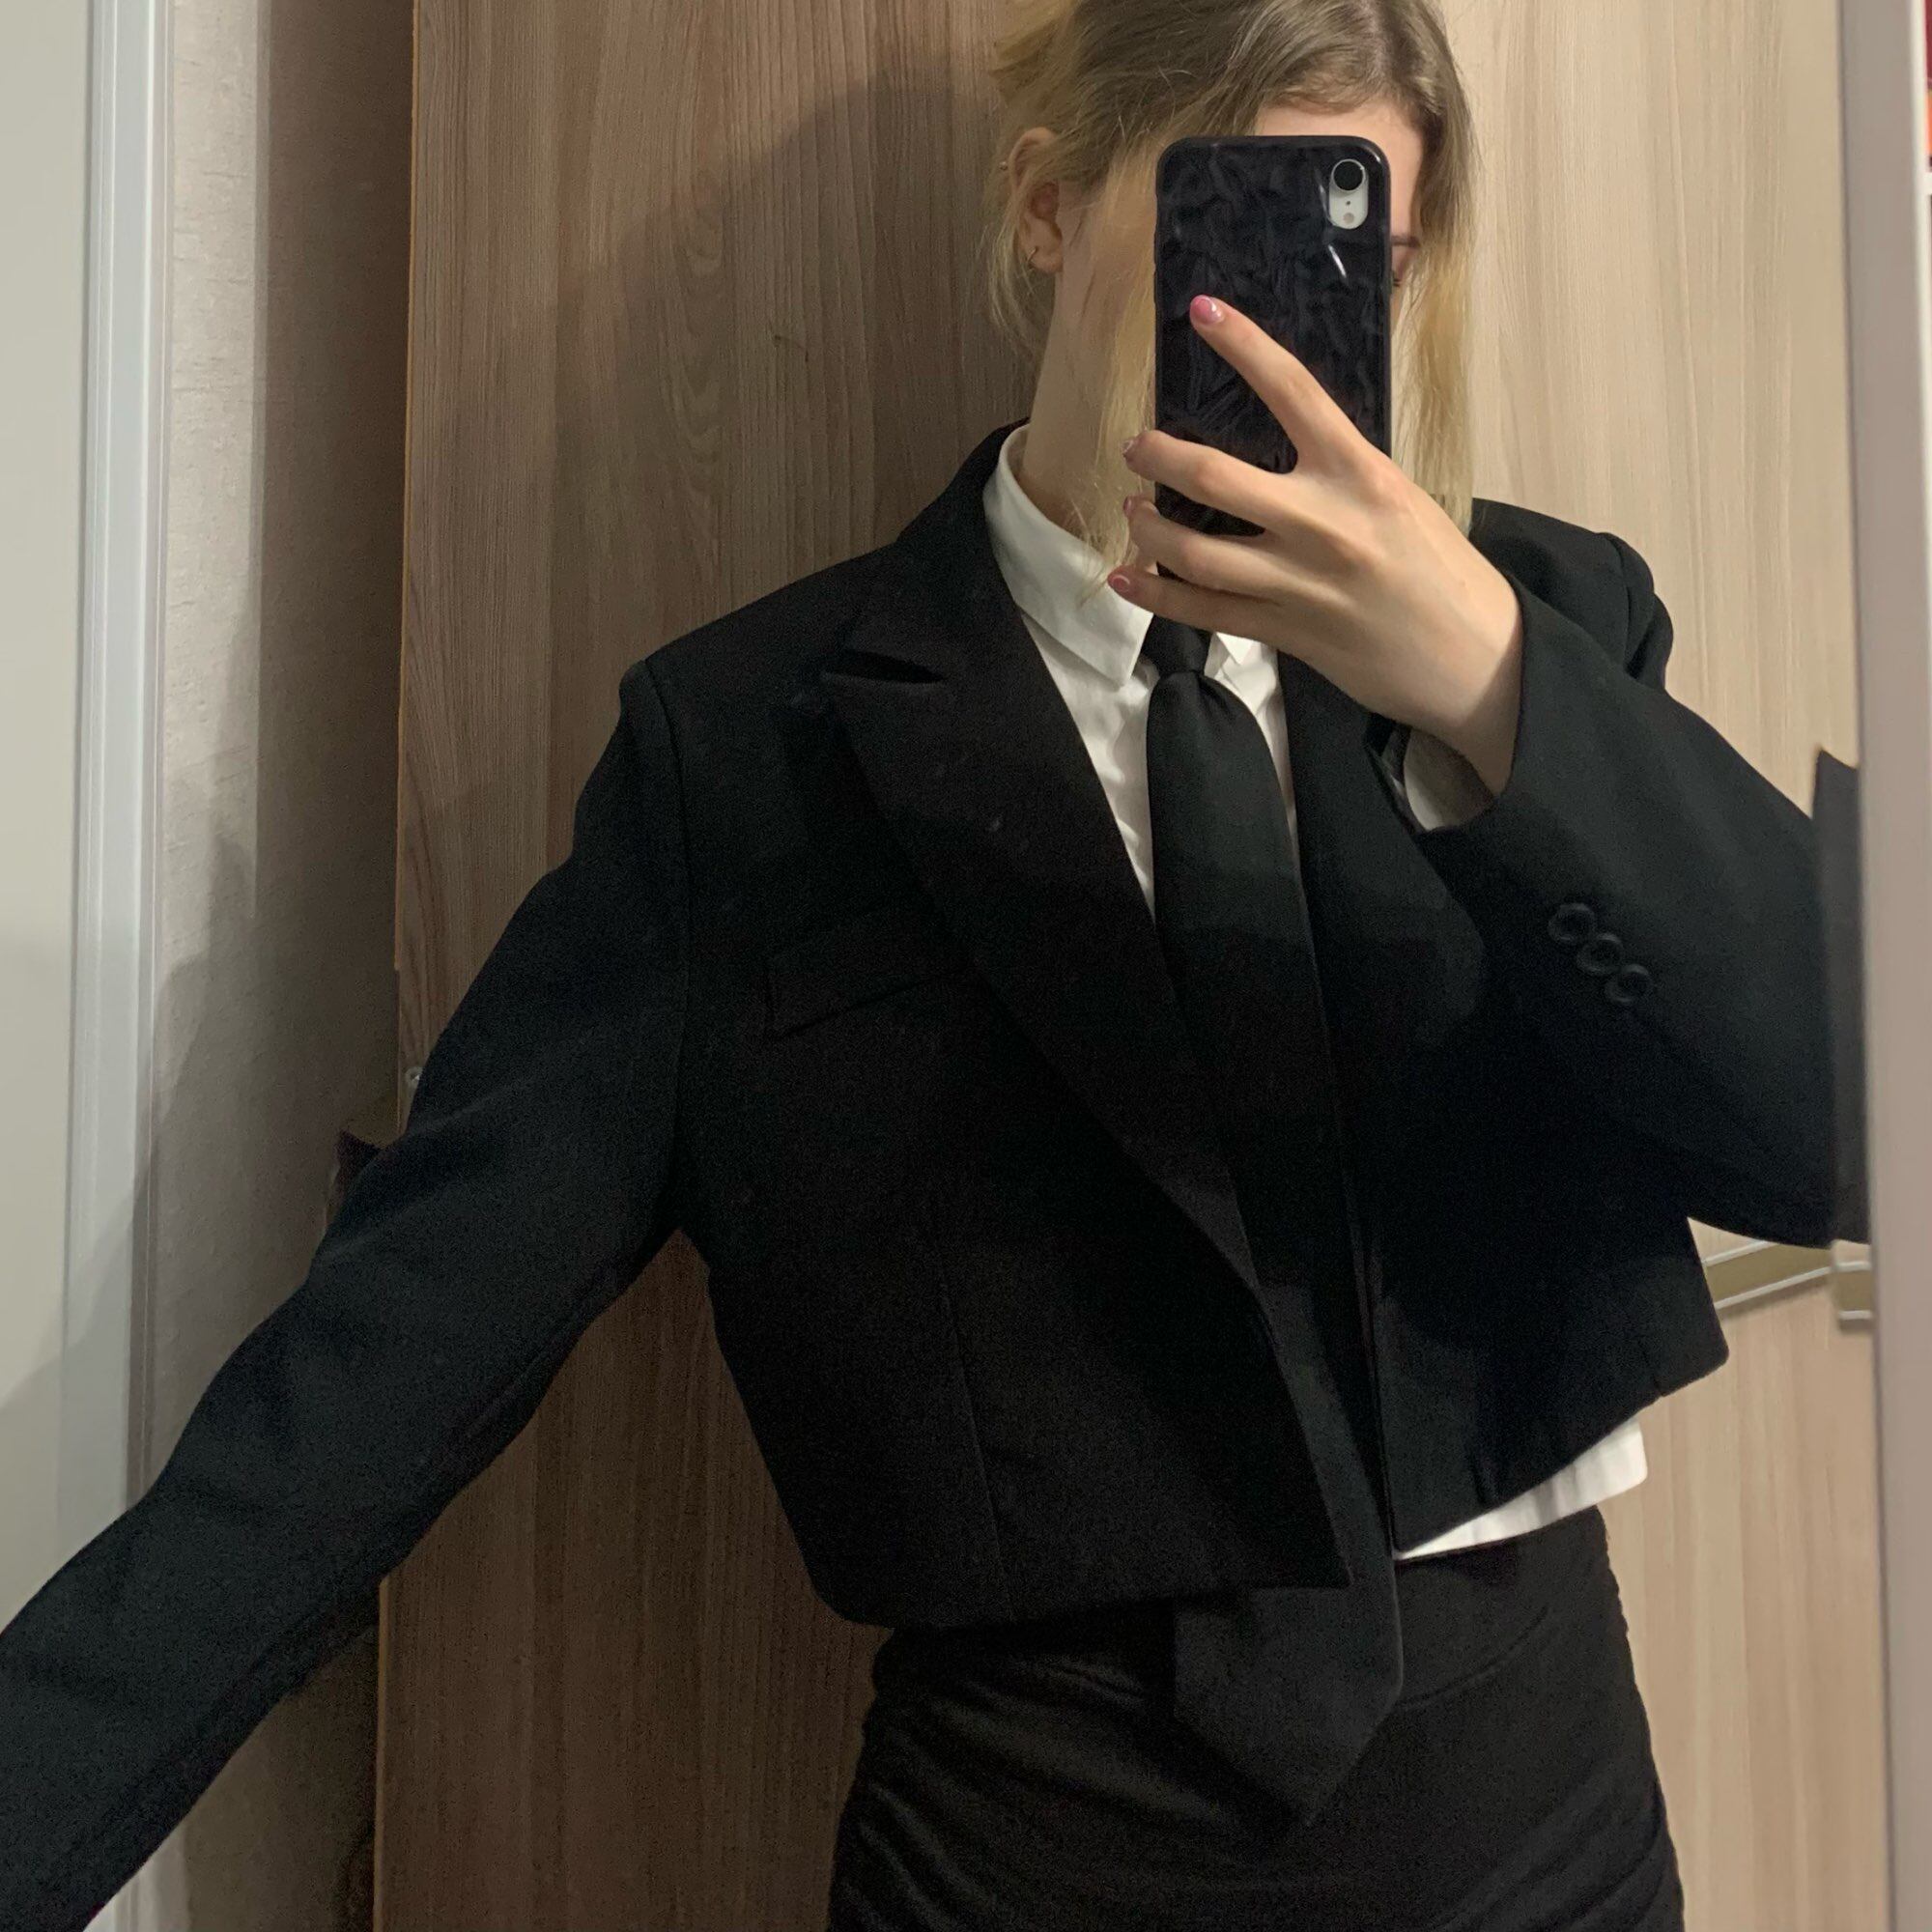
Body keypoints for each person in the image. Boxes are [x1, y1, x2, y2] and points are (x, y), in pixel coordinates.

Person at [0, 1, 1861, 1927]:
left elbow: (1846, 1124)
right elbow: (384, 1369)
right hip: (1031, 1830)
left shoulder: (1548, 635)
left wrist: (1487, 691)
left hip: (1539, 1799)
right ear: (1049, 206)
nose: (1288, 320)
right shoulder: (753, 752)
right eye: (1237, 225)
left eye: (1357, 253)